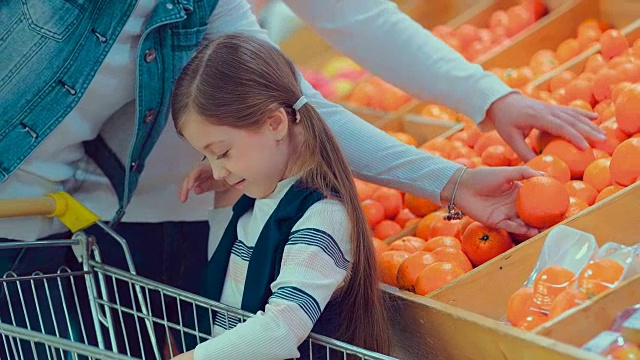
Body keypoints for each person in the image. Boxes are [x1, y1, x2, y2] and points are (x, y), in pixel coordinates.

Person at [0, 0, 604, 357]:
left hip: (67, 221)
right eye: (210, 154)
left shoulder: (298, 211)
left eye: (220, 151)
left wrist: (452, 174)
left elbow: (301, 101)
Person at [169, 32, 392, 359]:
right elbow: (226, 288)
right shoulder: (260, 199)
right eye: (208, 157)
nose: (217, 171)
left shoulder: (323, 217)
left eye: (223, 152)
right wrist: (224, 198)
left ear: (275, 123)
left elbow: (282, 329)